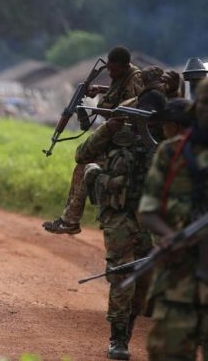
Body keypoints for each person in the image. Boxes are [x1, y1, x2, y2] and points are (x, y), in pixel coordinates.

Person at [79, 90, 166, 359]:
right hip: (118, 215)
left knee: (144, 282)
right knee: (122, 275)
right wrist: (107, 129)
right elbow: (82, 154)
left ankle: (126, 330)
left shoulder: (170, 140)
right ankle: (118, 340)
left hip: (150, 220)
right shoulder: (117, 133)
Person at [138, 78, 208, 360]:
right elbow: (149, 210)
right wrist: (169, 237)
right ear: (195, 106)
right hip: (179, 280)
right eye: (205, 104)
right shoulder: (172, 152)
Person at [43, 46, 144, 235]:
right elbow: (119, 93)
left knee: (86, 164)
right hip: (112, 135)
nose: (110, 72)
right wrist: (101, 89)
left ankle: (70, 220)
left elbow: (133, 106)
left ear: (124, 66)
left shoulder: (135, 78)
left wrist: (99, 111)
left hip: (124, 139)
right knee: (81, 166)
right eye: (109, 68)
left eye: (113, 69)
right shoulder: (121, 77)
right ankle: (69, 219)